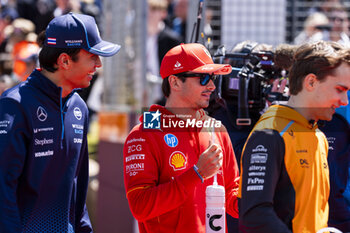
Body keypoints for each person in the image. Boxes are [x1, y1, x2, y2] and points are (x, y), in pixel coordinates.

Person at [0, 12, 120, 232]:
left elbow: (78, 187)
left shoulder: (79, 108)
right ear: (64, 60)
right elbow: (3, 189)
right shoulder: (14, 105)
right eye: (92, 56)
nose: (99, 64)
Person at [124, 43, 240, 232]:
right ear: (175, 82)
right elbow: (140, 206)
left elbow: (232, 197)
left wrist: (260, 194)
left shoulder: (216, 129)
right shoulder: (144, 133)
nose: (211, 86)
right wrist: (196, 174)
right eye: (203, 78)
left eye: (212, 78)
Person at [238, 40, 350, 232]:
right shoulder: (269, 134)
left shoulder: (319, 136)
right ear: (311, 82)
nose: (344, 101)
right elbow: (254, 215)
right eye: (340, 90)